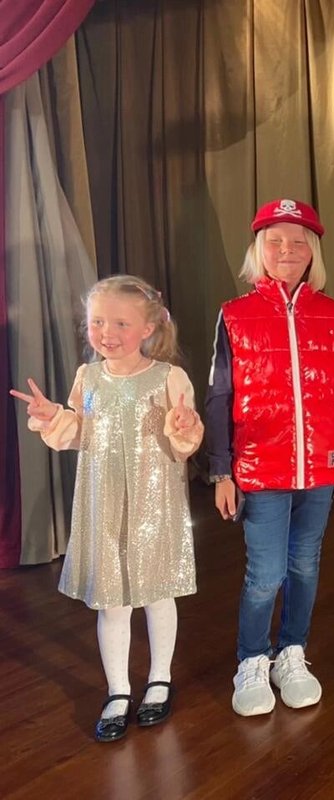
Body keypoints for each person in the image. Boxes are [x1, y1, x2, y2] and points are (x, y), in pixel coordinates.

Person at [11, 276, 202, 742]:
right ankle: (118, 689)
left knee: (158, 594)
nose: (106, 332)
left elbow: (183, 444)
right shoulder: (88, 377)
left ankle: (160, 679)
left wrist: (183, 425)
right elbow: (81, 431)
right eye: (97, 322)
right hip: (104, 504)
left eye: (120, 323)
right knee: (112, 603)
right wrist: (54, 417)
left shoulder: (168, 378)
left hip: (154, 507)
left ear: (148, 328)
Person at [206, 198, 334, 717]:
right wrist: (221, 469)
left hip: (321, 468)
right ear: (259, 249)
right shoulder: (235, 315)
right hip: (260, 468)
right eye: (275, 241)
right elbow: (219, 396)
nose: (287, 250)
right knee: (265, 573)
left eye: (299, 242)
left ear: (313, 251)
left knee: (304, 565)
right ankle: (252, 659)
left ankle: (292, 652)